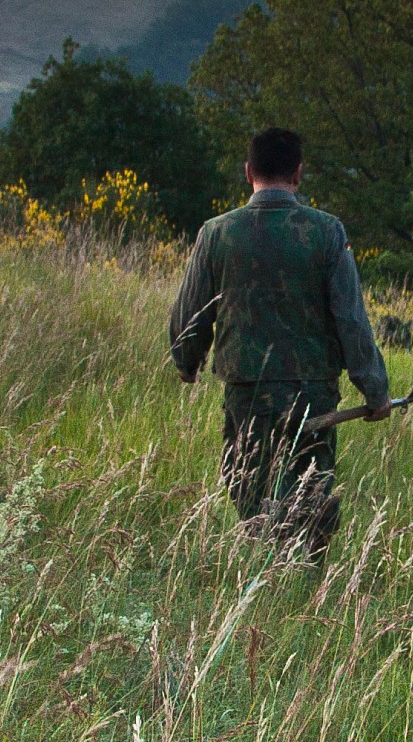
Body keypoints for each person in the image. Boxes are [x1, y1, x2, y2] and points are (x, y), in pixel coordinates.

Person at [167, 126, 393, 557]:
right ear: (298, 173)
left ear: (248, 171)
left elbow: (191, 314)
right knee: (311, 492)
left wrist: (186, 361)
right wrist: (375, 390)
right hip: (313, 392)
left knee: (251, 488)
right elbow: (350, 319)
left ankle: (263, 568)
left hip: (246, 390)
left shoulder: (216, 233)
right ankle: (303, 572)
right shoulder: (327, 232)